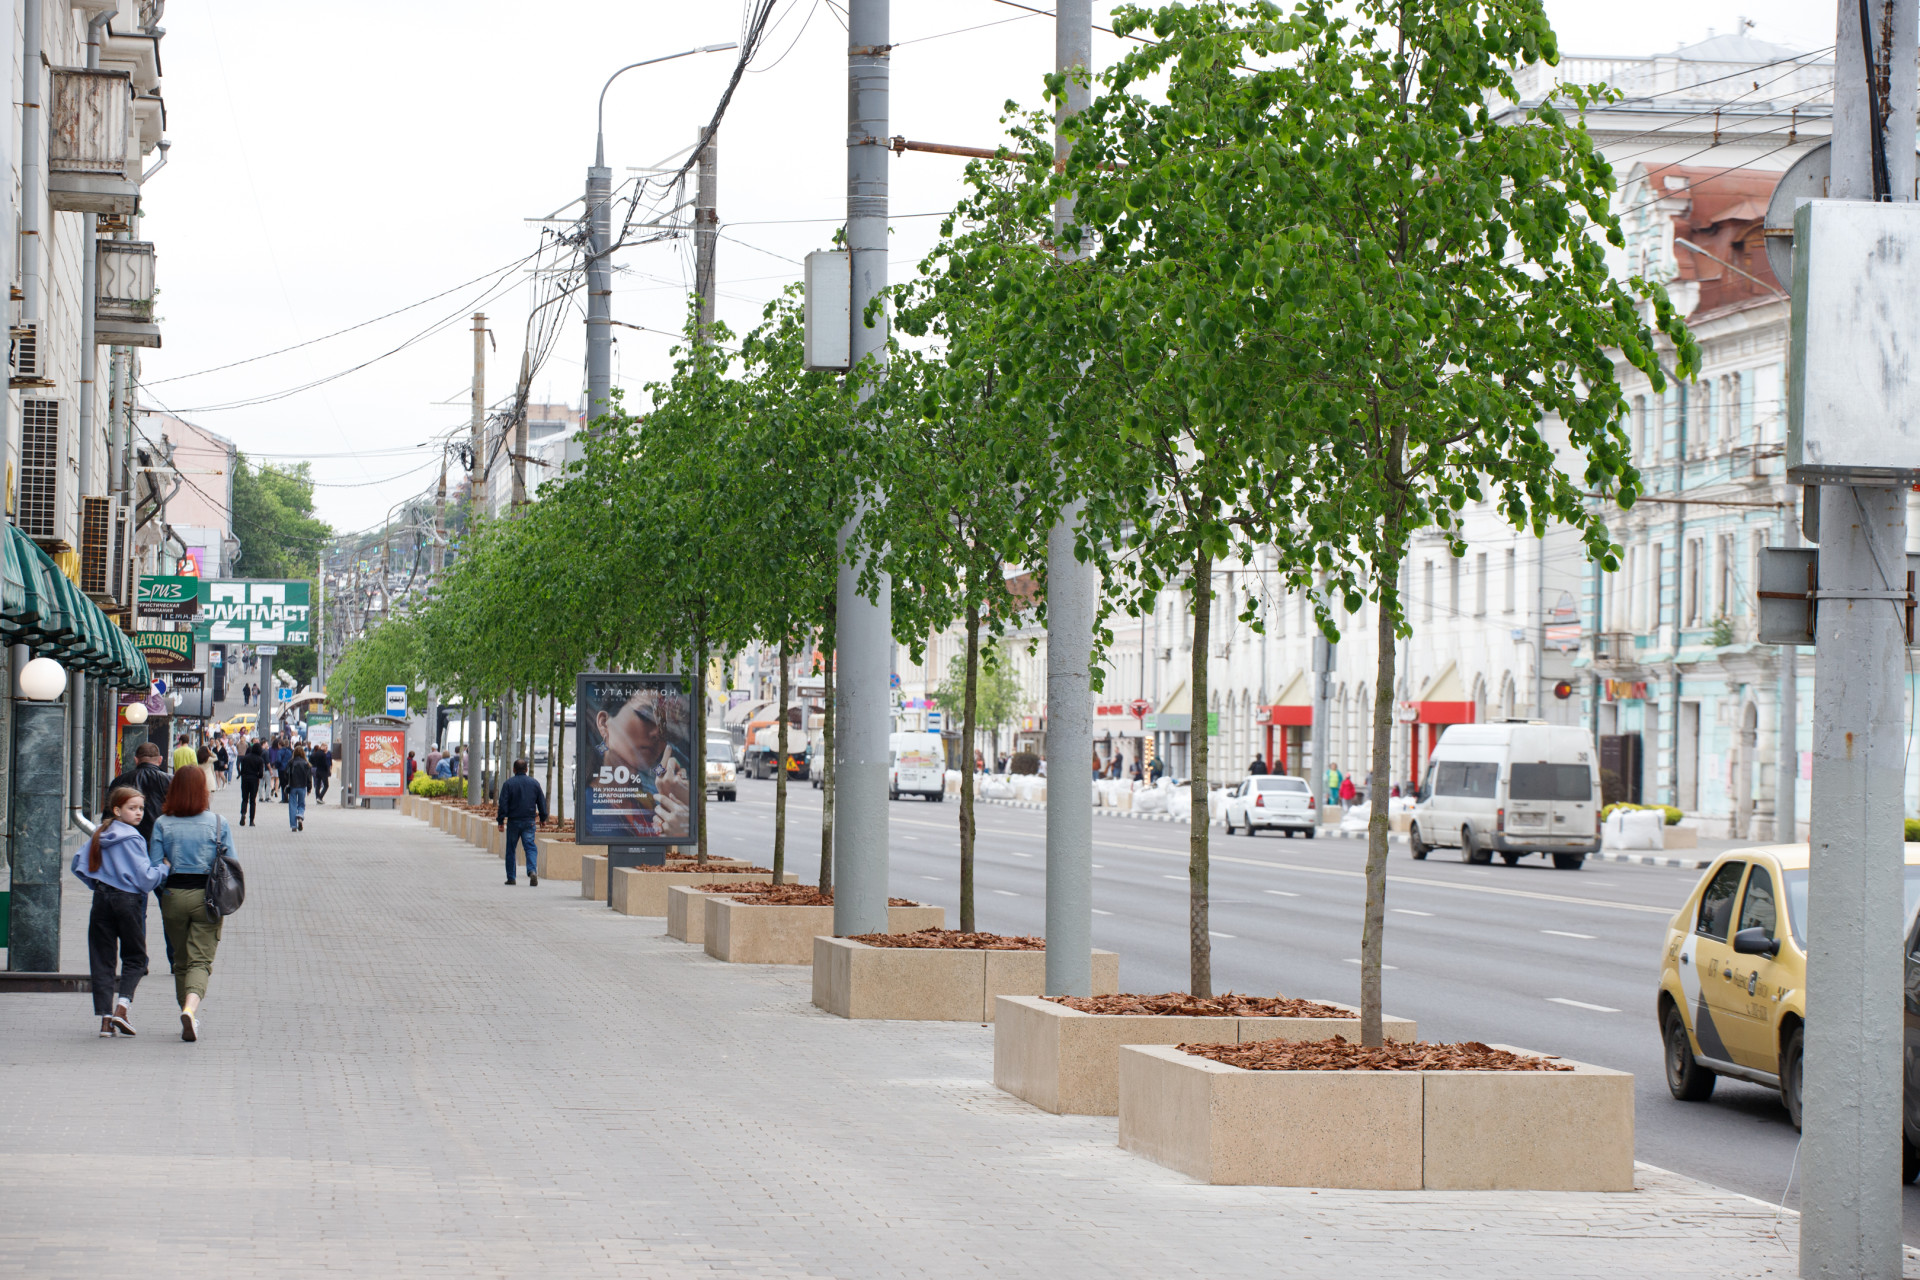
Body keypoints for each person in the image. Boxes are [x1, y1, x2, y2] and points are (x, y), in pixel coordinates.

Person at [71, 786, 167, 1038]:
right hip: (128, 901)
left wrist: (100, 882)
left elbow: (77, 865)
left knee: (102, 959)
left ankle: (104, 1020)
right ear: (117, 810)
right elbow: (146, 879)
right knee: (136, 958)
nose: (139, 814)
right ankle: (122, 1008)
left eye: (141, 808)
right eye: (132, 808)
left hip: (102, 899)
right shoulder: (133, 838)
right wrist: (164, 868)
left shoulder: (100, 833)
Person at [149, 765, 234, 1043]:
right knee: (201, 960)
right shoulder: (219, 823)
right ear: (203, 791)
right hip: (206, 899)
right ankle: (190, 1009)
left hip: (173, 896)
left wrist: (166, 891)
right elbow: (231, 864)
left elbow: (154, 866)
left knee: (181, 960)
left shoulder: (162, 823)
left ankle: (188, 1014)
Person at [496, 758, 548, 886]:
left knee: (511, 849)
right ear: (526, 770)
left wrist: (501, 820)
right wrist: (543, 818)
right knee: (530, 847)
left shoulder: (508, 784)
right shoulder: (534, 783)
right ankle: (532, 871)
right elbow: (541, 802)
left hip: (513, 821)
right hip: (529, 821)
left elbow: (503, 804)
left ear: (514, 770)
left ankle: (511, 877)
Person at [107, 741, 173, 843]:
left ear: (136, 760)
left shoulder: (119, 781)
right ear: (160, 760)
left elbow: (108, 815)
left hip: (126, 840)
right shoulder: (171, 781)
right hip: (160, 840)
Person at [236, 741, 265, 826]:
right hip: (254, 780)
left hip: (245, 779)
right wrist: (257, 776)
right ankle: (251, 820)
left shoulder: (245, 758)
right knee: (252, 800)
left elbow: (242, 770)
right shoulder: (260, 759)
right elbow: (261, 774)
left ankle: (243, 814)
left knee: (244, 799)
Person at [285, 745, 313, 832]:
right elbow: (309, 777)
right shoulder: (306, 763)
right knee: (301, 803)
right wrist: (309, 788)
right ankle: (300, 815)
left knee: (292, 805)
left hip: (293, 786)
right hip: (302, 786)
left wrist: (286, 784)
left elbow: (286, 774)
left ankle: (293, 825)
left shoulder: (290, 762)